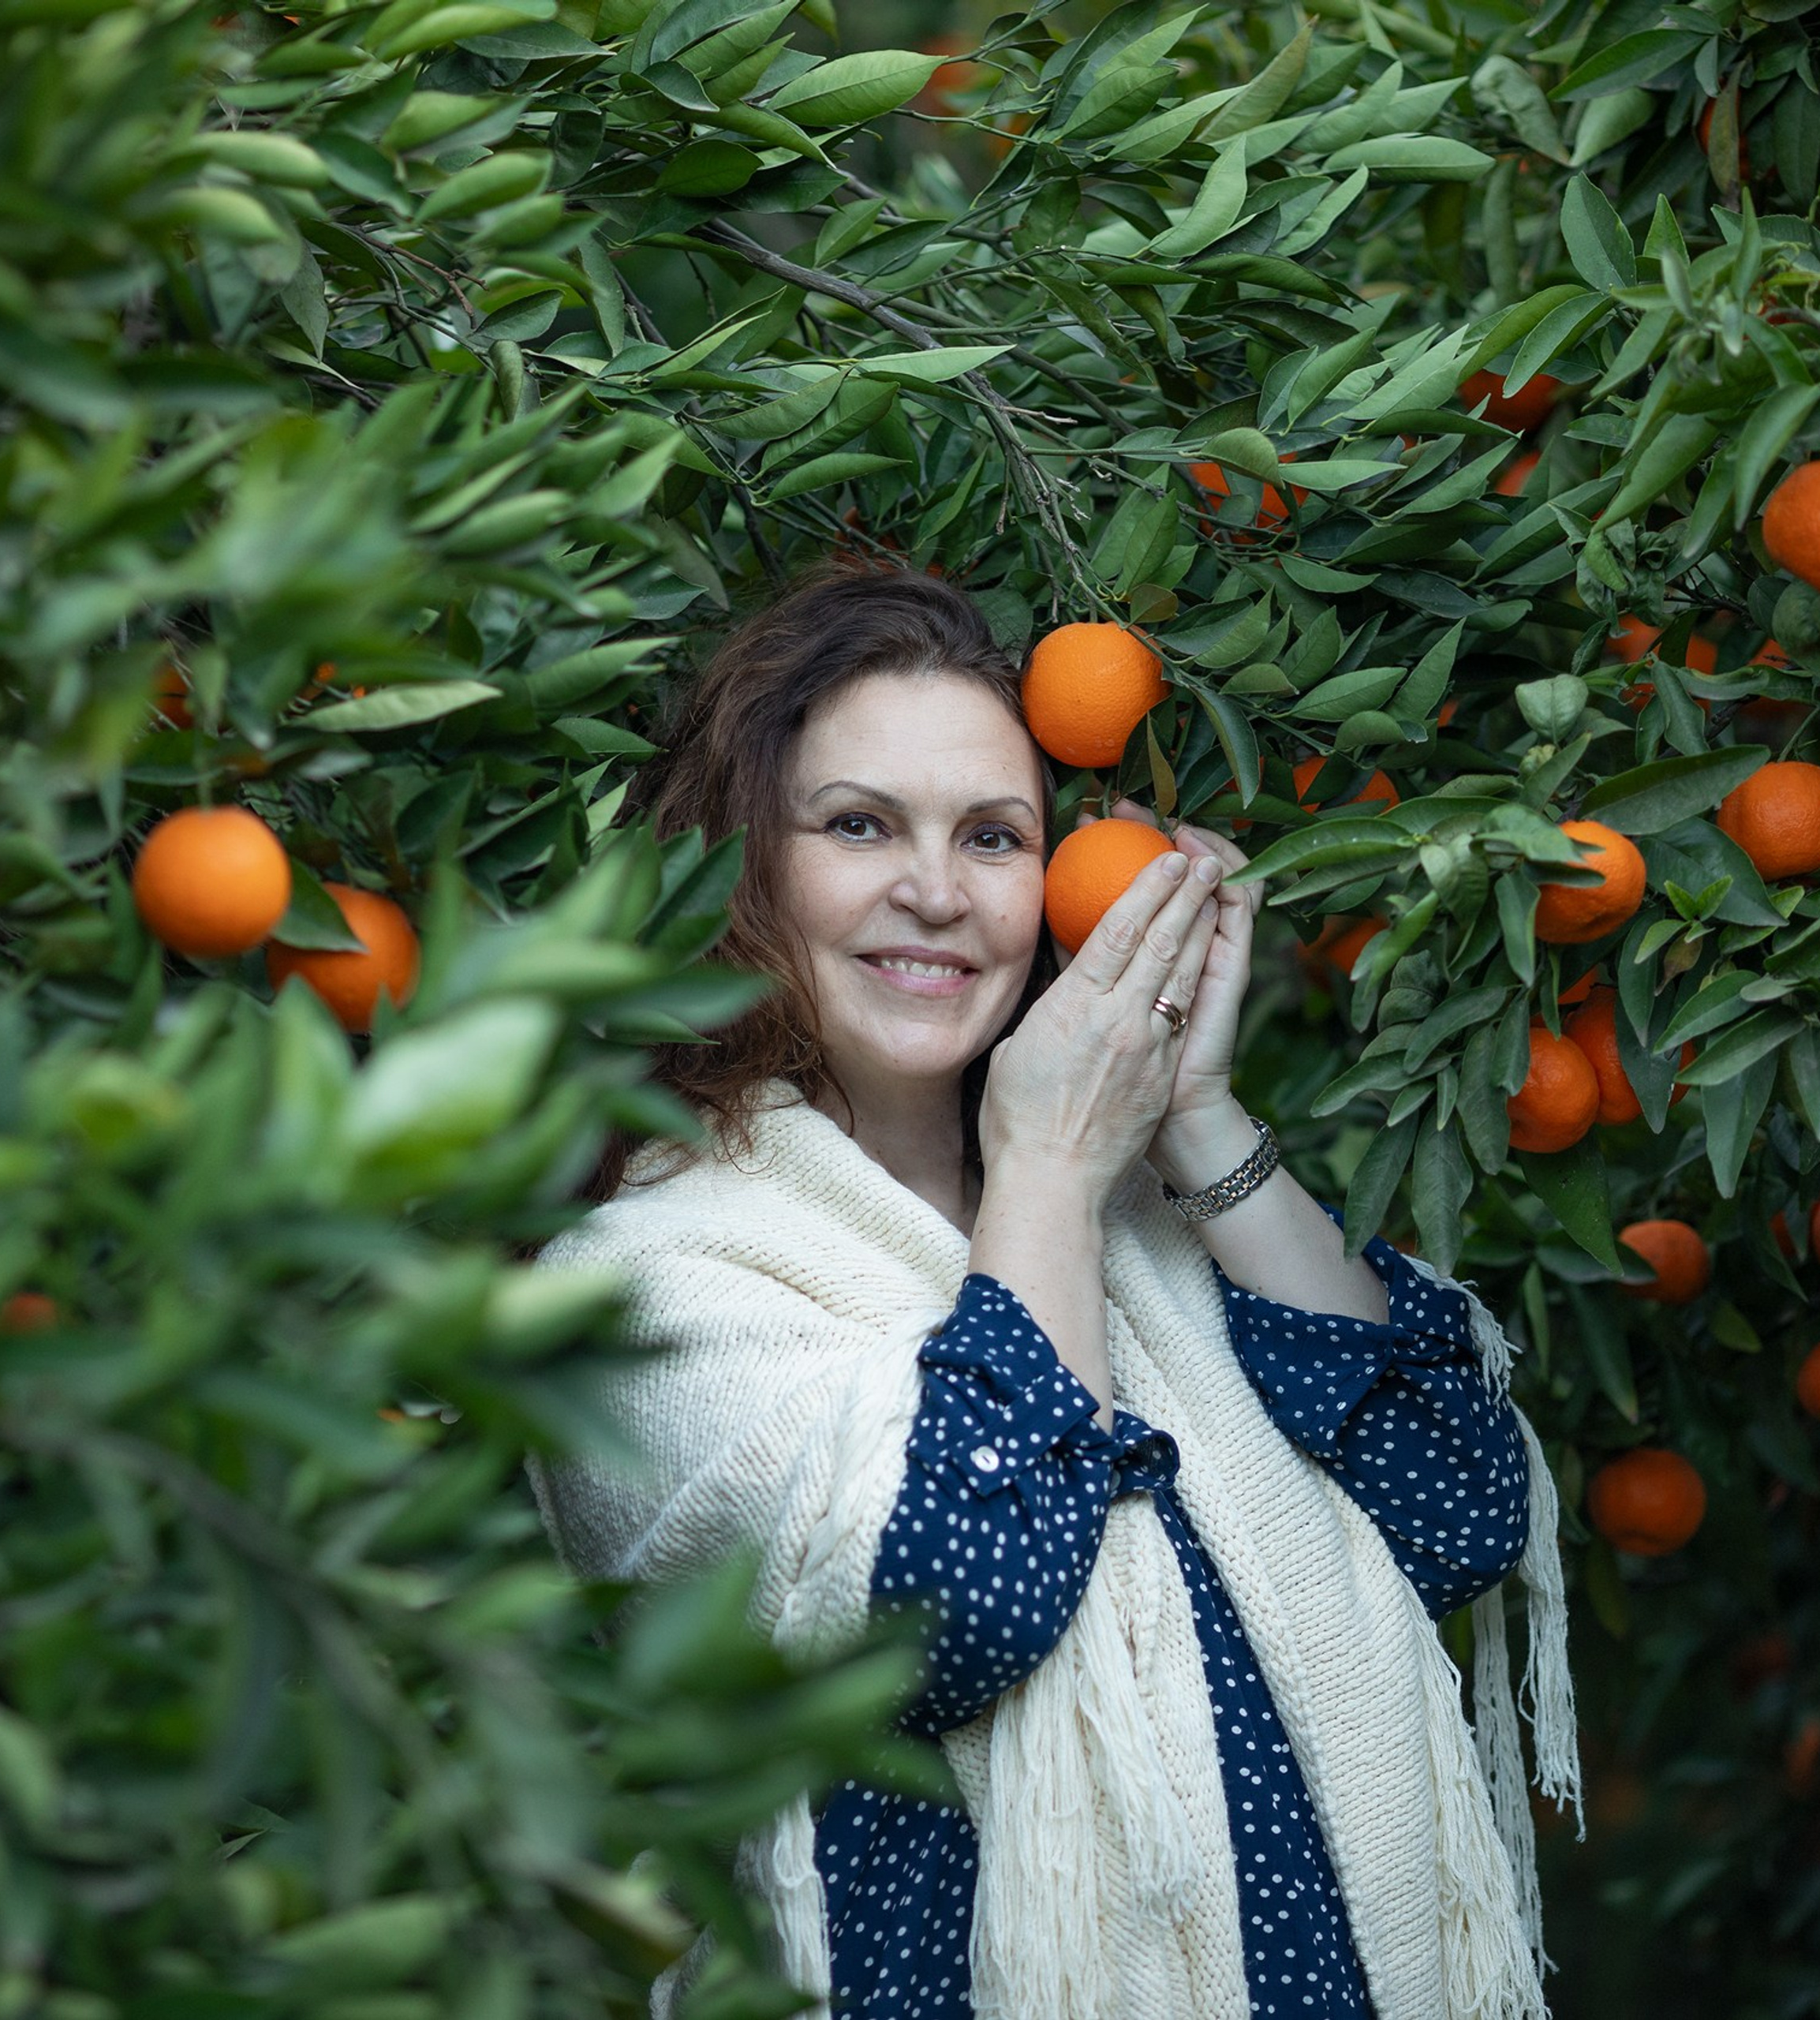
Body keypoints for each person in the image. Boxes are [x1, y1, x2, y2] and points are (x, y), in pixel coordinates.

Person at [529, 569, 1579, 2020]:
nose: (939, 895)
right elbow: (955, 1605)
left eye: (995, 837)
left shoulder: (1135, 1228)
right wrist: (1053, 1165)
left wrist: (1196, 1115)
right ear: (738, 869)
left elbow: (1453, 1504)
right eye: (857, 825)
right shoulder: (643, 1289)